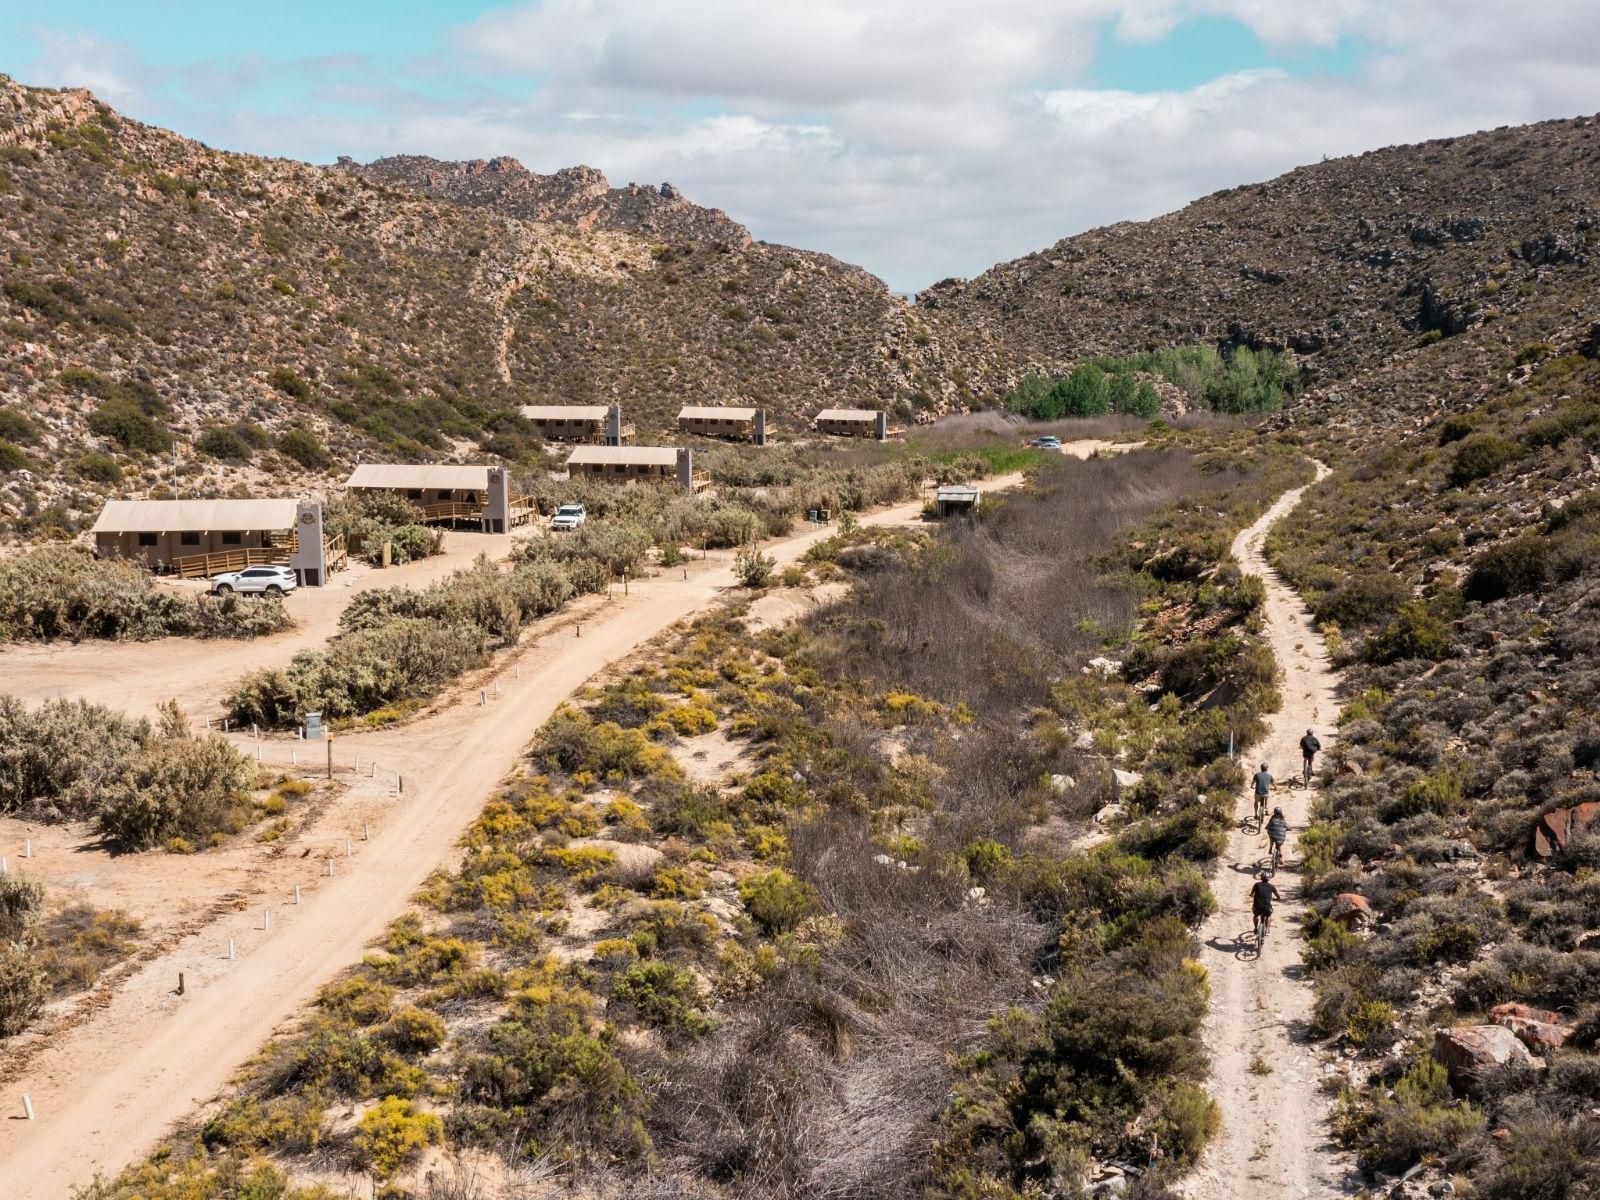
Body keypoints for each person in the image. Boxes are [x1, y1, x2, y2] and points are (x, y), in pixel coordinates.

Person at [1250, 870, 1282, 944]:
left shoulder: (1256, 885)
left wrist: (1252, 895)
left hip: (1257, 906)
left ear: (1261, 878)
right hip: (1267, 907)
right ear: (1269, 879)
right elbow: (1278, 896)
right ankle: (1267, 929)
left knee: (1255, 915)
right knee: (1268, 915)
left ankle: (1255, 928)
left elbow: (1252, 893)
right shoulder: (1271, 887)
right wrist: (1277, 899)